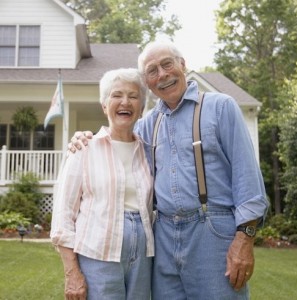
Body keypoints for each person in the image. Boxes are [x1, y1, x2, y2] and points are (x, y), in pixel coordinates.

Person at [69, 41, 269, 300]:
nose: (162, 75)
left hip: (212, 231)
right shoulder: (146, 125)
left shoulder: (221, 107)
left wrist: (245, 239)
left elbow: (248, 180)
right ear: (148, 83)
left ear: (183, 65)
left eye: (167, 64)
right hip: (162, 236)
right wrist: (84, 138)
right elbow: (117, 138)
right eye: (152, 71)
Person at [50, 68, 154, 300]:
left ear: (141, 108)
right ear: (104, 105)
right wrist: (72, 273)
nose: (125, 102)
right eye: (116, 95)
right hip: (98, 255)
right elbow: (63, 215)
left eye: (133, 96)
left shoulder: (148, 151)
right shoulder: (84, 148)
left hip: (143, 257)